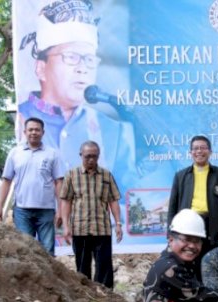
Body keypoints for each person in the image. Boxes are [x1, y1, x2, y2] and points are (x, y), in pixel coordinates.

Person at [17, 0, 136, 183]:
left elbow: (126, 196)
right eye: (71, 57)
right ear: (41, 68)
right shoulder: (22, 118)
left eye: (89, 59)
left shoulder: (113, 129)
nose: (82, 68)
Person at [0, 117, 65, 255]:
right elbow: (6, 181)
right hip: (22, 211)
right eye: (30, 129)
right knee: (25, 251)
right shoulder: (15, 153)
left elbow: (59, 182)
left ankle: (47, 277)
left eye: (37, 130)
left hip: (46, 210)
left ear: (43, 132)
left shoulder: (52, 154)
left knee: (47, 251)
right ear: (25, 132)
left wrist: (60, 209)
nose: (34, 132)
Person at [167, 135, 218, 276]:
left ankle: (211, 293)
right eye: (195, 148)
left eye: (203, 148)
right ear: (190, 152)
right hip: (188, 225)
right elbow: (172, 207)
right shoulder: (181, 176)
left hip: (213, 226)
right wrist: (170, 231)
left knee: (212, 263)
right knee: (188, 261)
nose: (199, 151)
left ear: (210, 152)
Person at [59, 140, 122, 288]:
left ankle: (106, 297)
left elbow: (113, 201)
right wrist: (66, 227)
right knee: (82, 267)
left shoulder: (106, 175)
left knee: (104, 267)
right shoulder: (71, 175)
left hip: (102, 228)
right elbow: (66, 201)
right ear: (81, 155)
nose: (91, 160)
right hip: (80, 229)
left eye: (95, 156)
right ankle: (86, 297)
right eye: (88, 156)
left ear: (99, 156)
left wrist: (118, 223)